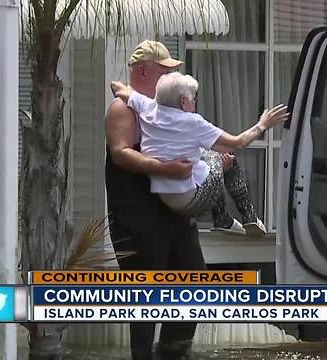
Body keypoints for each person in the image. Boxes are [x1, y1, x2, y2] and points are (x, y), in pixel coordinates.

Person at [105, 40, 201, 360]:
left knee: (194, 276)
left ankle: (174, 350)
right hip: (136, 215)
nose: (171, 76)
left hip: (172, 212)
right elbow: (120, 154)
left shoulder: (167, 108)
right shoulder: (124, 108)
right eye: (165, 71)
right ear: (144, 70)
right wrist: (165, 168)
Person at [111, 73, 288, 237]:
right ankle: (247, 216)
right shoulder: (192, 122)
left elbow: (116, 86)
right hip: (192, 199)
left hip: (166, 197)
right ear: (182, 101)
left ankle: (224, 219)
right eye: (193, 100)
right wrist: (263, 124)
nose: (195, 104)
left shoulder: (147, 108)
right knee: (228, 156)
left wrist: (133, 94)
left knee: (207, 154)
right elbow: (238, 142)